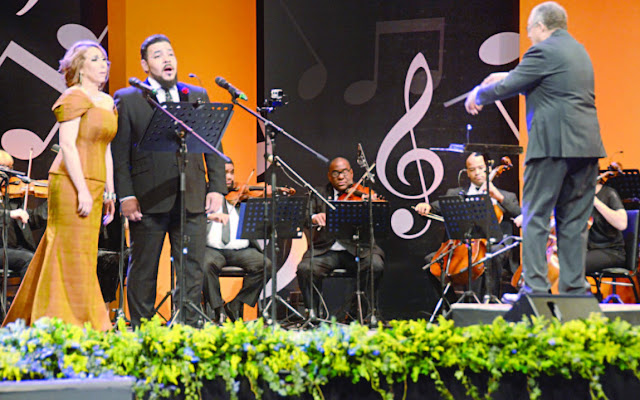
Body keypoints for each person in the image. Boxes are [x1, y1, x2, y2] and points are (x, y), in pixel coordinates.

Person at [464, 1, 606, 296]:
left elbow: (510, 86)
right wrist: (505, 76)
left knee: (535, 216)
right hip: (587, 148)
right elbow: (541, 81)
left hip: (552, 148)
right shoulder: (579, 52)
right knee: (574, 221)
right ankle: (573, 288)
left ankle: (537, 288)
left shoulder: (542, 50)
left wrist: (478, 93)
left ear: (541, 26)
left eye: (529, 30)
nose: (529, 36)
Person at [111, 34, 226, 327]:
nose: (167, 60)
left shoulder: (196, 94)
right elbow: (120, 153)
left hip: (192, 196)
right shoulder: (129, 98)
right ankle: (142, 332)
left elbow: (212, 145)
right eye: (159, 55)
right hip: (147, 199)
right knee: (143, 270)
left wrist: (217, 188)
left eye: (170, 54)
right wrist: (126, 195)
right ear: (145, 65)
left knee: (191, 268)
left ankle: (187, 328)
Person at [3, 40, 116, 330]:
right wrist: (81, 189)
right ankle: (59, 319)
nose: (103, 64)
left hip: (96, 180)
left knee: (85, 253)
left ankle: (78, 319)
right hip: (70, 181)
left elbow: (106, 149)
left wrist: (110, 191)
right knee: (69, 250)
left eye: (104, 59)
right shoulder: (73, 96)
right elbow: (67, 144)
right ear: (79, 67)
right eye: (95, 59)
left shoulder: (106, 101)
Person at [415, 153, 521, 298]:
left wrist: (498, 197)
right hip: (462, 246)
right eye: (472, 170)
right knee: (431, 262)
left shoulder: (506, 196)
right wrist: (426, 206)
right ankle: (452, 306)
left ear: (489, 169)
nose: (477, 173)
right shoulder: (456, 193)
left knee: (490, 257)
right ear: (467, 173)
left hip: (495, 245)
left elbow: (521, 215)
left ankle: (489, 304)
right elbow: (437, 206)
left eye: (480, 168)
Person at [296, 157, 384, 320]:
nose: (341, 177)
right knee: (305, 269)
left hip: (358, 249)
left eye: (344, 172)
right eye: (336, 173)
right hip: (326, 251)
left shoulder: (363, 193)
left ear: (351, 173)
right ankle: (313, 313)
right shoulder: (319, 194)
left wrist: (372, 208)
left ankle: (362, 313)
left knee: (375, 265)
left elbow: (378, 220)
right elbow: (303, 217)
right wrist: (314, 217)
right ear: (330, 176)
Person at [202, 160, 272, 322]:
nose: (229, 177)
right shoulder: (203, 195)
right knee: (205, 265)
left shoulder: (243, 195)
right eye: (224, 172)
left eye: (231, 172)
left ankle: (236, 304)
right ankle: (217, 309)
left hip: (241, 250)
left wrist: (266, 197)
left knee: (265, 264)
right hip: (212, 249)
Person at [0, 150, 48, 279]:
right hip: (2, 250)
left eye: (8, 169)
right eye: (1, 168)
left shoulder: (11, 195)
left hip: (13, 249)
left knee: (45, 258)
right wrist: (10, 214)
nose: (6, 174)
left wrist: (53, 203)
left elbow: (30, 220)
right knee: (28, 259)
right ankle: (25, 299)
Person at [585, 183, 627, 274]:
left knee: (574, 264)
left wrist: (596, 202)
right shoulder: (577, 196)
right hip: (588, 250)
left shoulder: (608, 193)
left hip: (612, 251)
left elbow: (622, 224)